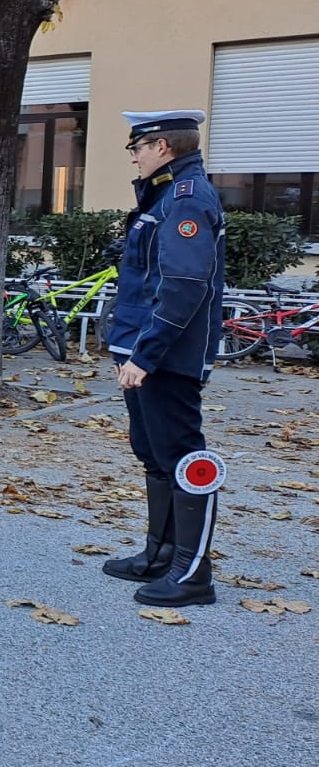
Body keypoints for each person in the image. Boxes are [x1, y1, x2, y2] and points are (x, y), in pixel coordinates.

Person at [101, 110, 227, 607]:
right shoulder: (164, 194)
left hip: (168, 356)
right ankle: (159, 555)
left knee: (182, 457)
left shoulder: (187, 197)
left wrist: (146, 355)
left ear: (163, 147)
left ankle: (192, 573)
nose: (133, 155)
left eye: (138, 146)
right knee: (153, 454)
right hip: (145, 349)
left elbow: (184, 287)